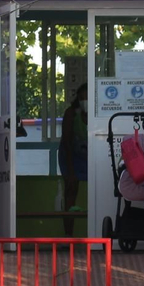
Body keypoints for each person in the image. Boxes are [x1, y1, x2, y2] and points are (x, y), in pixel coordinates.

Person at [58, 83, 89, 232]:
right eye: (82, 98)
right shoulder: (71, 114)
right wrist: (71, 172)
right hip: (70, 156)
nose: (85, 101)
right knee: (71, 191)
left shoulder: (99, 114)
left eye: (88, 98)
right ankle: (68, 236)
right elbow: (67, 143)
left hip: (90, 156)